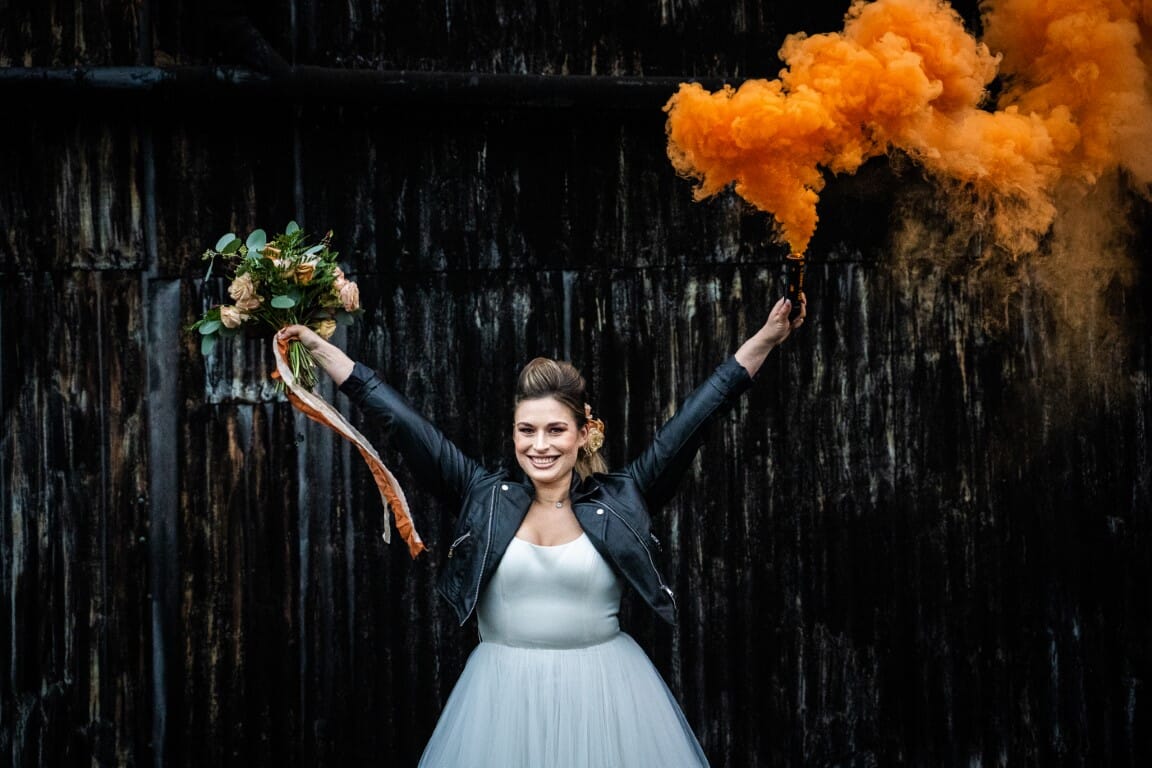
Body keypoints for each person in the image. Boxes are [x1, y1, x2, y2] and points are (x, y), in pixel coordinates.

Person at [278, 292, 805, 767]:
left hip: (609, 698)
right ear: (513, 434)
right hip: (500, 700)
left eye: (556, 430)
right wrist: (319, 350)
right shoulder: (481, 495)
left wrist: (765, 339)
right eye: (526, 430)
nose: (540, 445)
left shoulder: (624, 496)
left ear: (584, 434)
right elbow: (401, 420)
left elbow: (699, 417)